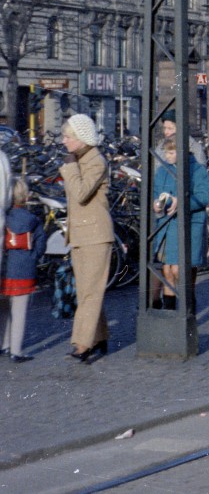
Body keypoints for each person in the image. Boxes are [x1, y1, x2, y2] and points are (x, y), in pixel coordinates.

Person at [60, 114, 113, 363]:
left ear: (81, 139)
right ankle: (100, 338)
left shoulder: (95, 162)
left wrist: (70, 167)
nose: (63, 142)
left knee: (90, 293)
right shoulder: (81, 159)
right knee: (87, 291)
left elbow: (81, 193)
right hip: (81, 234)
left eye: (68, 137)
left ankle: (82, 343)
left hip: (96, 234)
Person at [151, 136, 209, 311]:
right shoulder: (163, 171)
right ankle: (170, 312)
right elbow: (156, 192)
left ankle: (187, 310)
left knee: (179, 271)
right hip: (167, 226)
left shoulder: (197, 170)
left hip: (187, 225)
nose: (167, 156)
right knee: (168, 270)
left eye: (171, 152)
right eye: (166, 152)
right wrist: (157, 204)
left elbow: (203, 197)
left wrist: (182, 202)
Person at [1, 177, 46, 363]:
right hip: (25, 267)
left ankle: (3, 344)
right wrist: (32, 256)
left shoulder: (4, 218)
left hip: (5, 266)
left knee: (3, 309)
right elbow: (41, 244)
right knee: (19, 311)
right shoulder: (33, 220)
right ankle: (16, 350)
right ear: (25, 197)